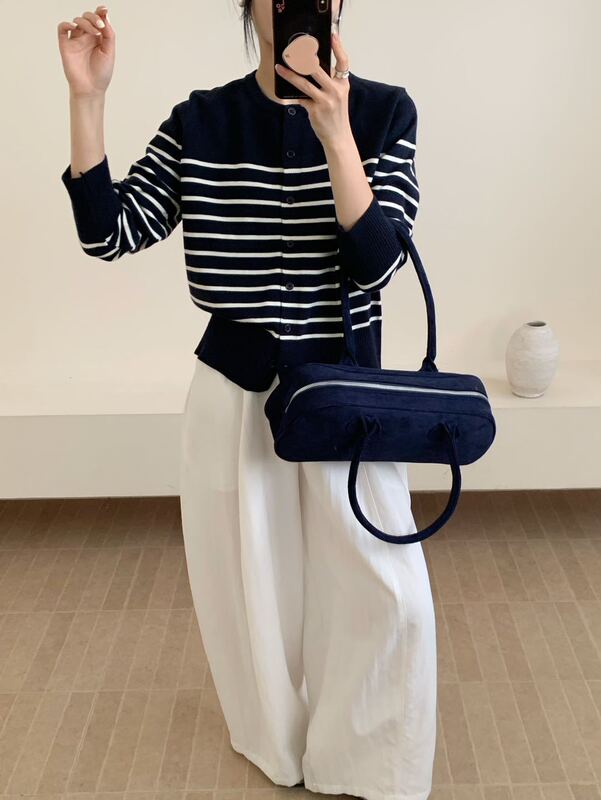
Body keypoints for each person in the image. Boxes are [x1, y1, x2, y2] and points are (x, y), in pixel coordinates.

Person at [57, 3, 437, 798]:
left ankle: (372, 762)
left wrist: (336, 135)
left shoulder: (385, 112)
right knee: (250, 594)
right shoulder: (201, 120)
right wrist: (87, 99)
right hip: (233, 395)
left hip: (344, 397)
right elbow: (109, 233)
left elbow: (376, 264)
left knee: (385, 591)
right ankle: (277, 745)